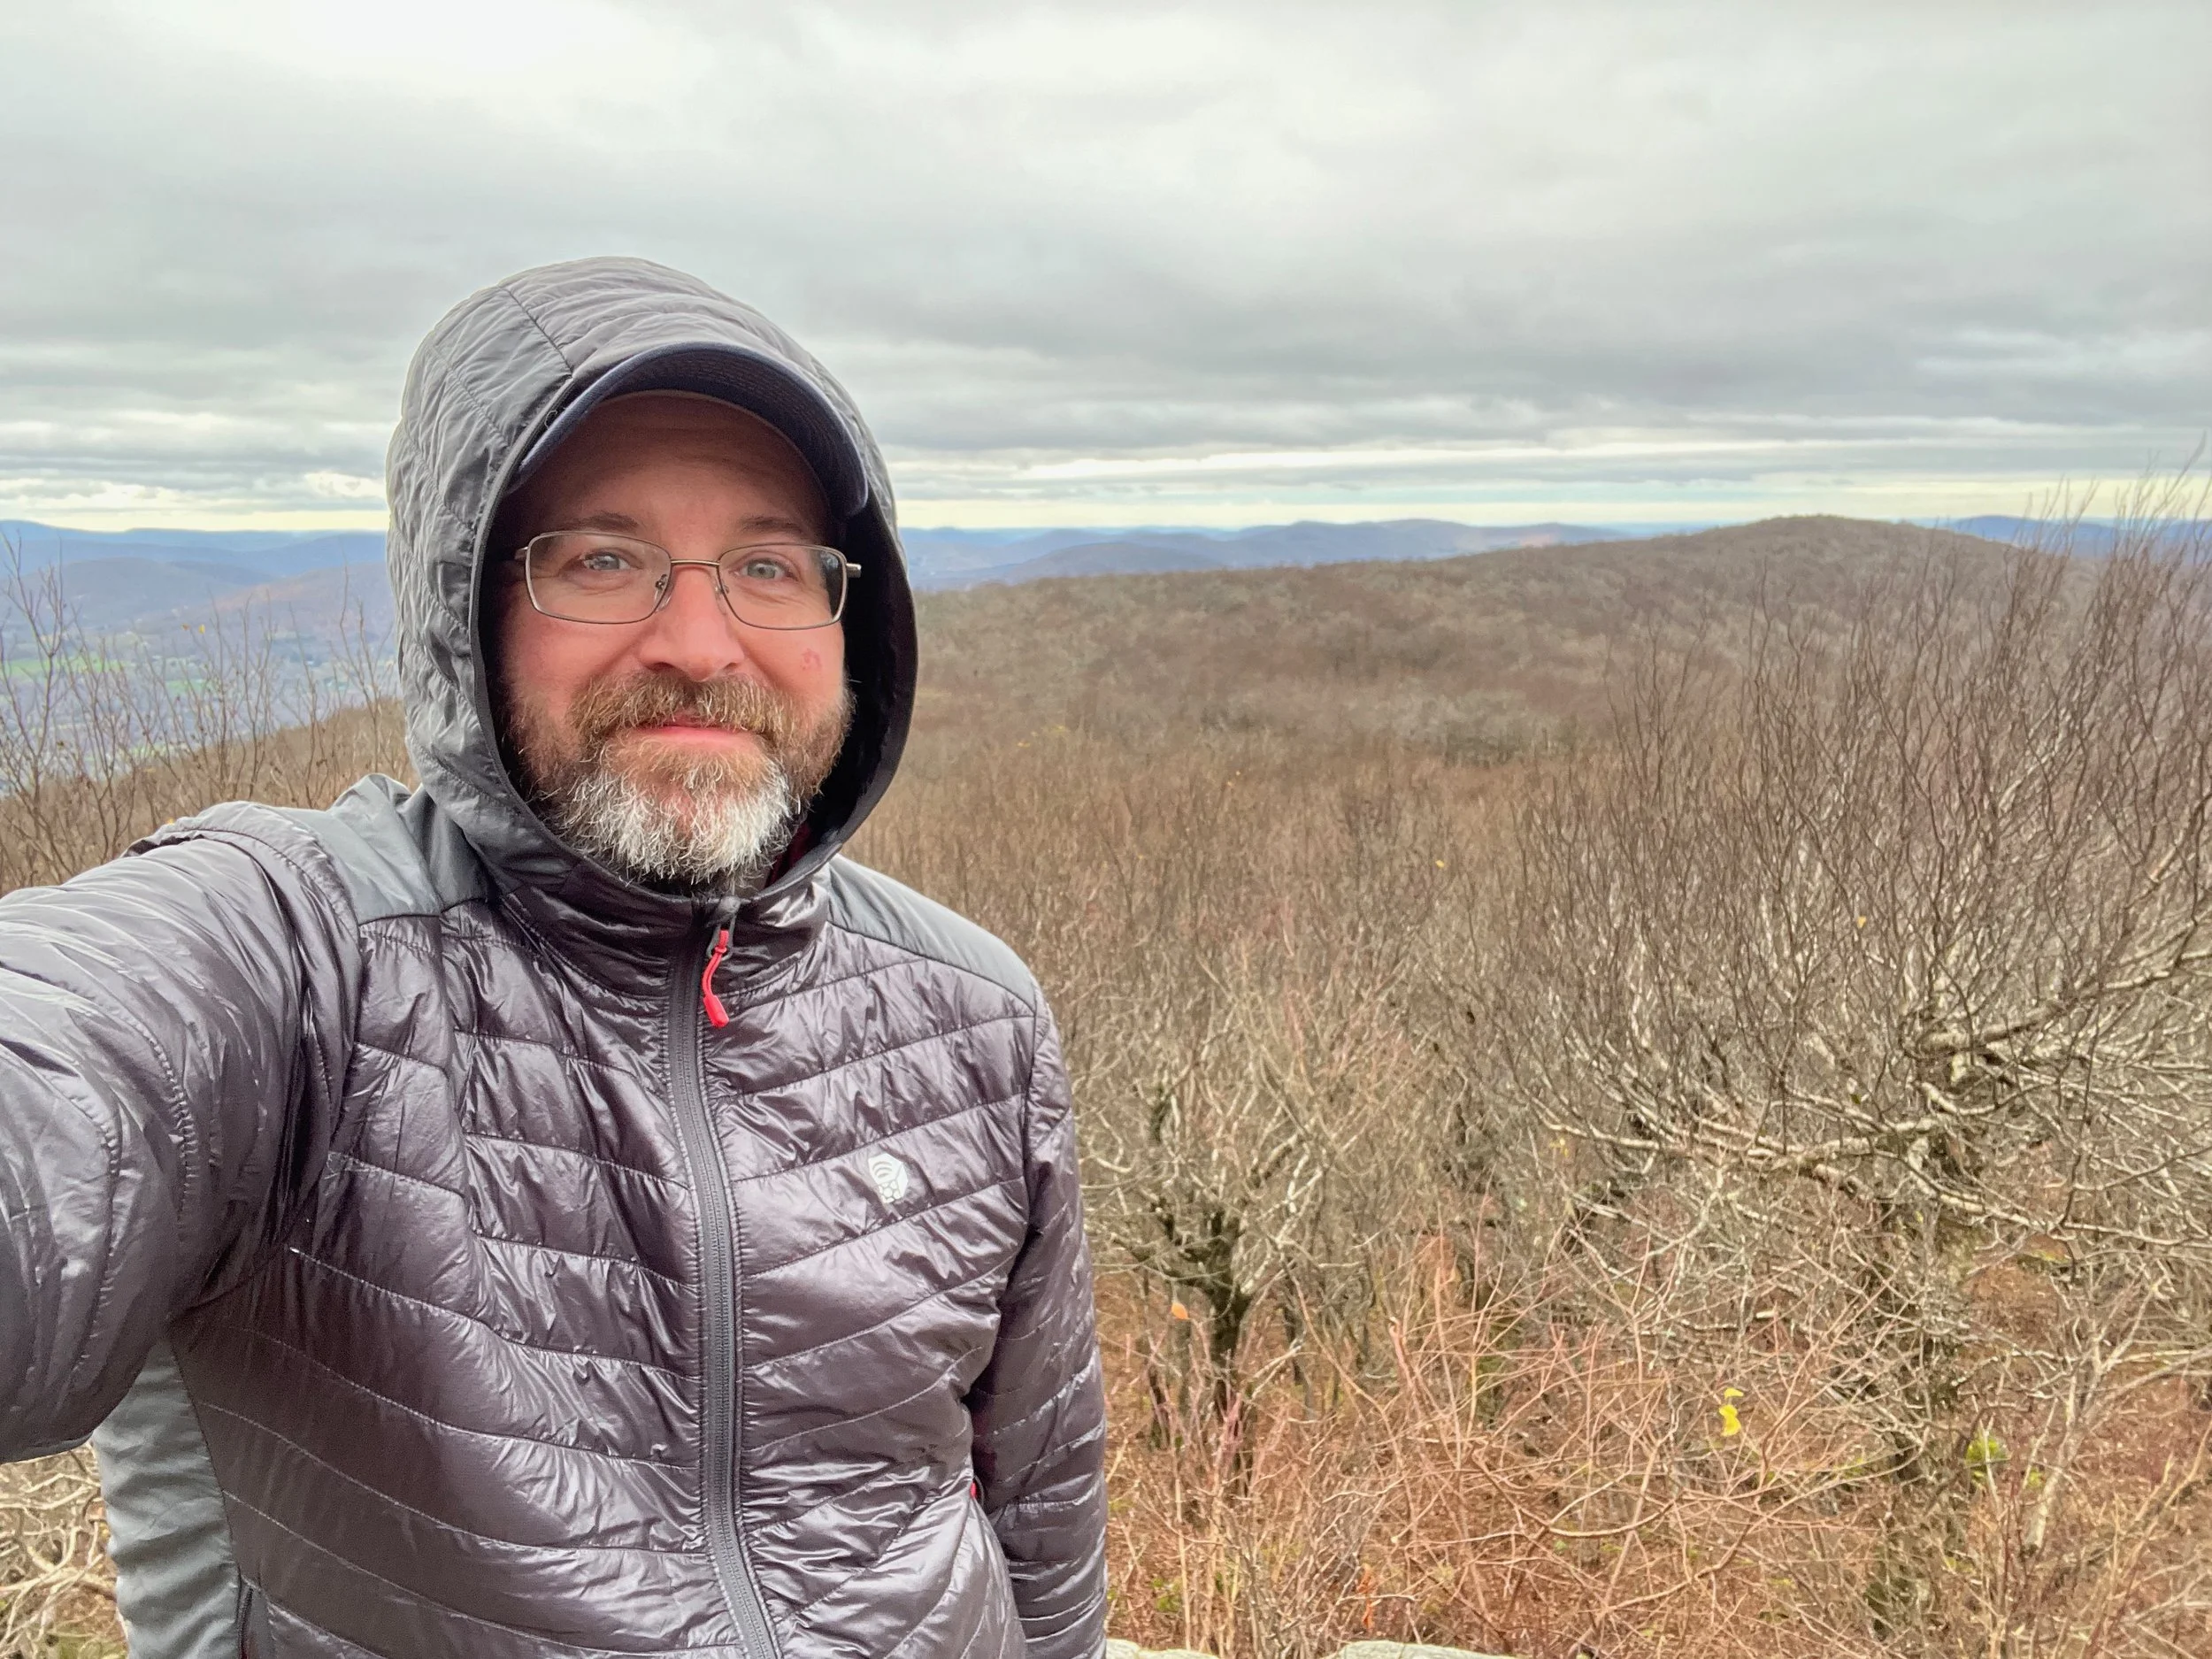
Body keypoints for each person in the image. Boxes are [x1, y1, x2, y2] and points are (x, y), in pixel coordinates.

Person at [0, 257, 1108, 1659]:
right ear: (466, 614)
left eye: (769, 565)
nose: (701, 643)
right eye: (603, 558)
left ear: (853, 619)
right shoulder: (305, 959)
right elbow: (62, 1078)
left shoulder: (974, 1013)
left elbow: (1044, 1512)